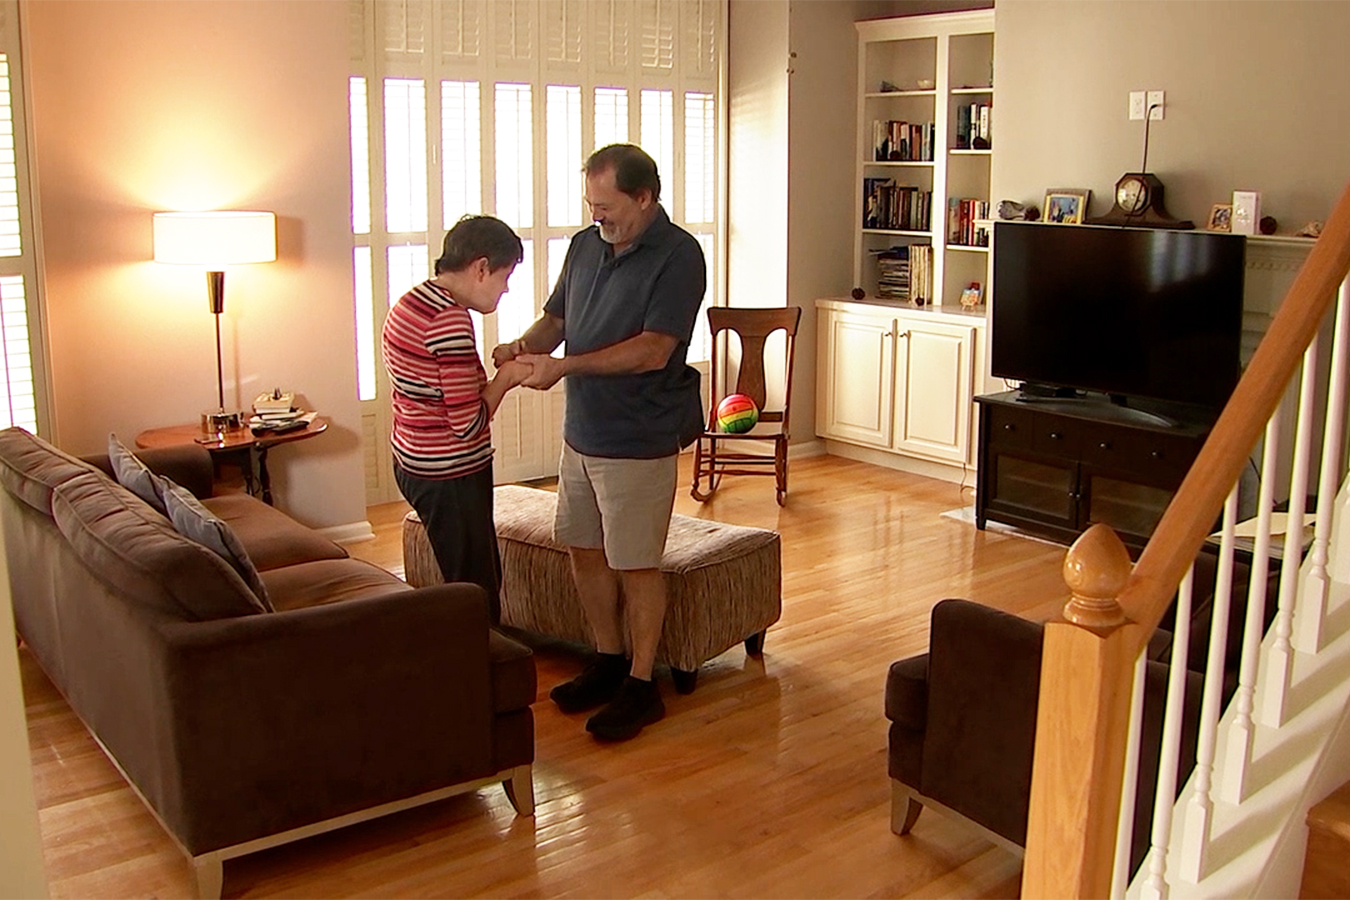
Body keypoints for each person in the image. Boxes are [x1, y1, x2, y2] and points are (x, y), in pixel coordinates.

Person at [494, 143, 705, 742]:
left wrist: (565, 367)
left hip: (638, 435)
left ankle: (641, 684)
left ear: (645, 197)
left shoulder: (679, 255)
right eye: (591, 204)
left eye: (607, 206)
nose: (596, 216)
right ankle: (608, 658)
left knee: (635, 562)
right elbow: (557, 321)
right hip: (582, 431)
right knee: (583, 548)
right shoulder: (586, 245)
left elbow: (654, 350)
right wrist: (525, 347)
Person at [382, 215, 531, 622]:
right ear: (481, 267)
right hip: (450, 473)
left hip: (412, 461)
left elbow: (429, 390)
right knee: (477, 587)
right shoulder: (449, 321)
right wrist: (507, 378)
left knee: (463, 572)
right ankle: (482, 655)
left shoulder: (411, 302)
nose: (506, 288)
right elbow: (467, 425)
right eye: (504, 276)